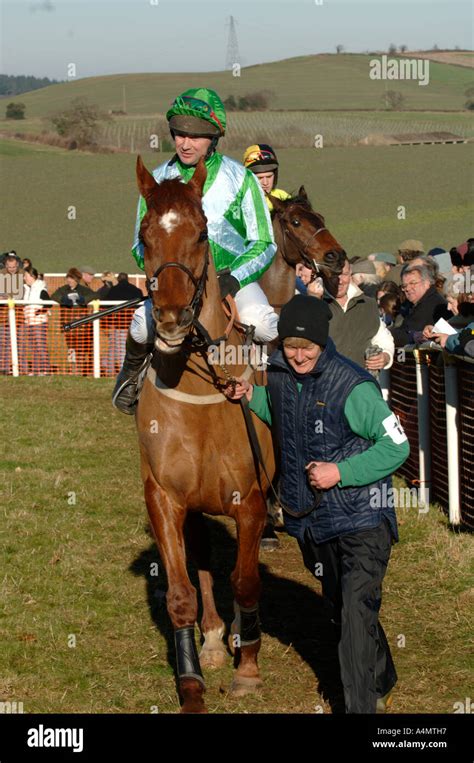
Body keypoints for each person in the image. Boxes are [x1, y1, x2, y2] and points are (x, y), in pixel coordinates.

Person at [225, 294, 409, 713]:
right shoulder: (278, 375)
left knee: (354, 619)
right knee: (342, 609)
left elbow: (397, 447)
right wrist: (248, 396)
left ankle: (360, 707)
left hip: (363, 519)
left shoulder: (353, 386)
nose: (298, 355)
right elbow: (284, 415)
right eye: (290, 346)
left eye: (307, 347)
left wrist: (339, 473)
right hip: (313, 522)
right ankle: (383, 676)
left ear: (324, 344)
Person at [113, 87, 277, 414]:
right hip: (176, 285)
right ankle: (131, 376)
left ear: (213, 138)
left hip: (232, 281)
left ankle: (276, 394)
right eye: (179, 135)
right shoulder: (157, 179)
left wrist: (232, 279)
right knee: (141, 325)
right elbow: (139, 243)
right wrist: (169, 276)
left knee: (263, 322)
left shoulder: (242, 179)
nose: (186, 143)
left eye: (196, 136)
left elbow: (264, 243)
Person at [390, 263, 450, 347]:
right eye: (404, 286)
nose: (407, 289)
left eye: (412, 283)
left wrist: (387, 334)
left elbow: (407, 334)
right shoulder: (416, 303)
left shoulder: (430, 304)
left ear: (427, 283)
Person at [51, 268, 96, 375]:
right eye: (68, 278)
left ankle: (81, 369)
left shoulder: (83, 289)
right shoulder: (64, 289)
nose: (69, 281)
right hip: (68, 324)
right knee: (71, 347)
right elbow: (54, 296)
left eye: (71, 278)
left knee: (81, 348)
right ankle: (73, 369)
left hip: (81, 326)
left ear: (77, 279)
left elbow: (94, 295)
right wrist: (63, 300)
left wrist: (83, 300)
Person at [101, 273, 144, 374]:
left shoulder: (113, 290)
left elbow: (106, 305)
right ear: (127, 279)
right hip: (133, 323)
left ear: (118, 279)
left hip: (118, 324)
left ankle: (111, 370)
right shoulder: (136, 290)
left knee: (115, 347)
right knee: (128, 347)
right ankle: (125, 369)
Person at [242, 143, 291, 212]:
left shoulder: (283, 197)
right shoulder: (240, 201)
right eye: (259, 178)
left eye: (269, 177)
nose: (265, 183)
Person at [21, 267, 51, 375]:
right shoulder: (27, 289)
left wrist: (39, 312)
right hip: (29, 322)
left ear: (32, 276)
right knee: (33, 347)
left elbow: (49, 303)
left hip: (39, 322)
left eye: (26, 276)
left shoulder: (41, 288)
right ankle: (36, 370)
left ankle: (45, 370)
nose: (24, 278)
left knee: (40, 346)